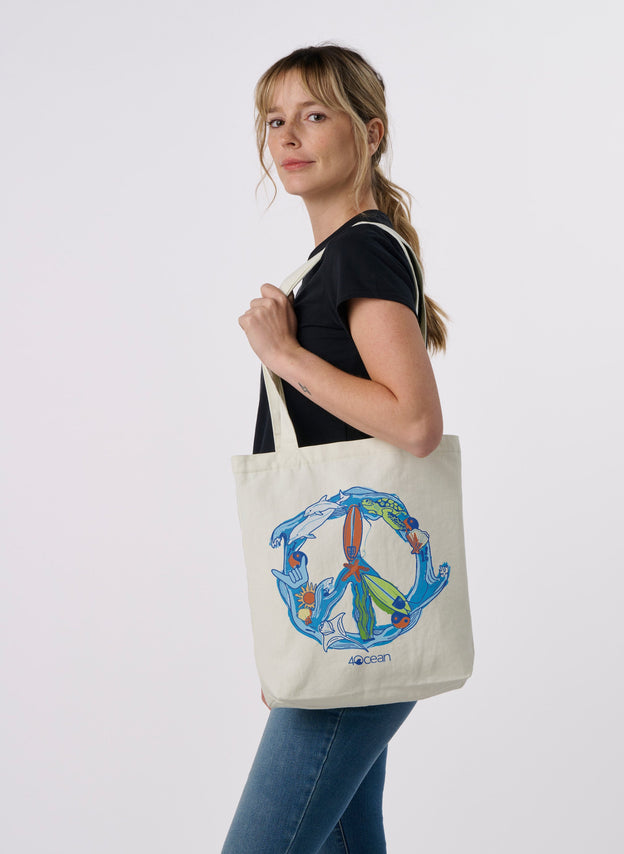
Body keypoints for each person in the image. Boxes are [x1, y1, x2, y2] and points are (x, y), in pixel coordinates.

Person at [222, 44, 447, 854]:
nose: (288, 135)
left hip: (358, 623)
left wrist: (284, 355)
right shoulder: (340, 258)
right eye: (274, 120)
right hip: (346, 617)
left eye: (315, 115)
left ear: (370, 132)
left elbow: (413, 423)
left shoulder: (360, 250)